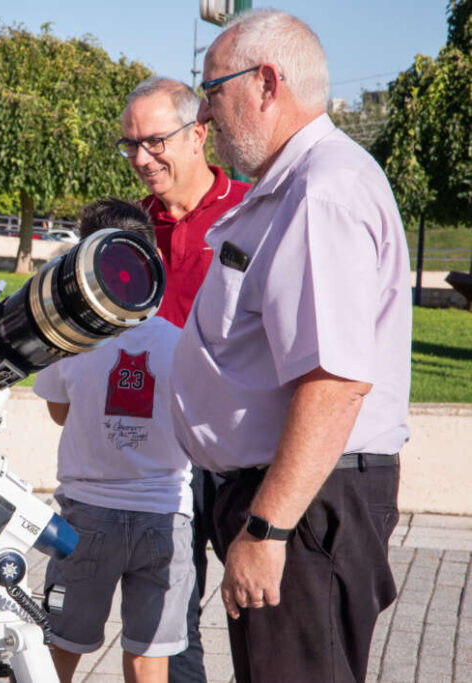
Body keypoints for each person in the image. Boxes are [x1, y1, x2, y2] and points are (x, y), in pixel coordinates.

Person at [170, 9, 410, 682]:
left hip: (302, 509)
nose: (207, 116)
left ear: (266, 82)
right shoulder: (295, 185)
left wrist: (268, 528)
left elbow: (335, 382)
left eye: (213, 90)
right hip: (294, 499)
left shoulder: (321, 190)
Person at [119, 76, 250, 682]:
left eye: (154, 141)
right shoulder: (127, 232)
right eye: (130, 146)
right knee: (172, 618)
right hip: (158, 451)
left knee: (258, 605)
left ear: (199, 135)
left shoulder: (253, 211)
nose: (141, 159)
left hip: (241, 449)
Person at [35, 198, 194, 683]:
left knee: (59, 649)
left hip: (88, 513)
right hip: (166, 515)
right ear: (152, 263)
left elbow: (58, 413)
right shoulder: (180, 341)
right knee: (150, 659)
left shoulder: (70, 338)